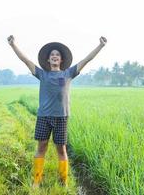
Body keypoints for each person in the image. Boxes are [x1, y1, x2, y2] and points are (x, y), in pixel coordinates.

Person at [7, 35, 107, 187]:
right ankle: (37, 180)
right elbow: (25, 60)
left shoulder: (68, 73)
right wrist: (13, 45)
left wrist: (100, 46)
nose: (54, 56)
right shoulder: (42, 74)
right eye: (52, 55)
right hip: (44, 116)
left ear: (61, 60)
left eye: (57, 55)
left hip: (62, 117)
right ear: (48, 60)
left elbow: (86, 60)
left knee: (61, 149)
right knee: (41, 147)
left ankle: (64, 182)